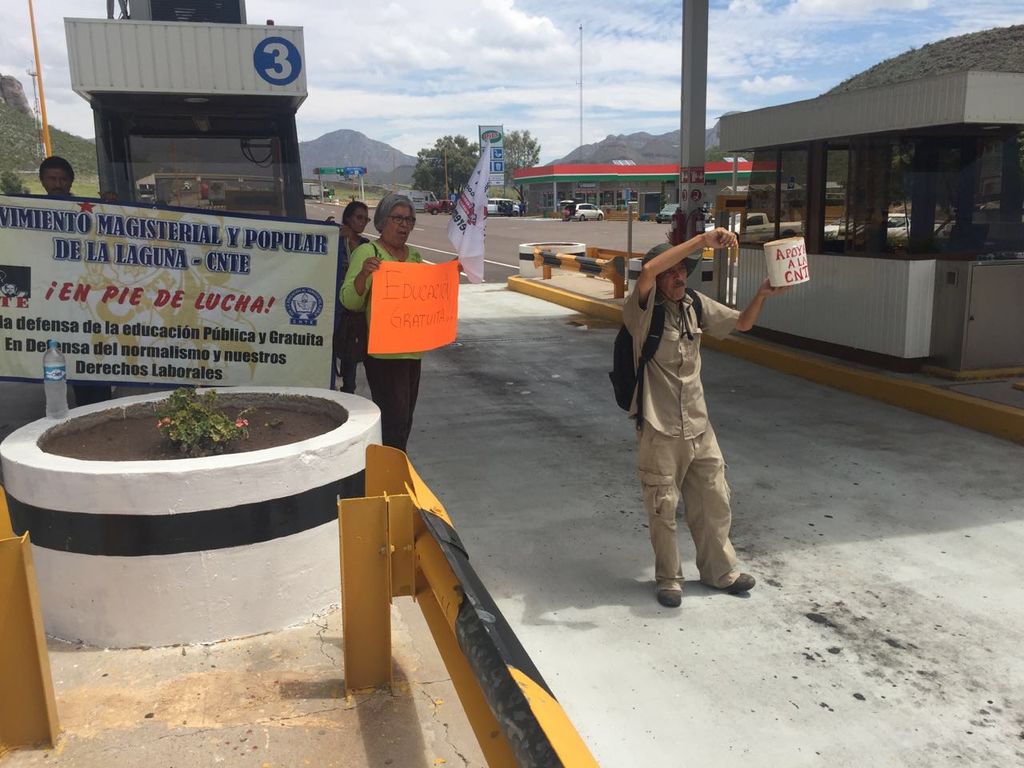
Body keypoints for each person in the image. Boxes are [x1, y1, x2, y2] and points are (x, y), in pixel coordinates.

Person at [623, 229, 788, 608]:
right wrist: (699, 242)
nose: (680, 277)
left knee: (714, 500)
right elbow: (647, 272)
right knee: (663, 506)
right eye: (673, 272)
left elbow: (742, 324)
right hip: (660, 428)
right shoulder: (641, 310)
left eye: (684, 271)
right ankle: (669, 578)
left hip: (699, 425)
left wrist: (761, 295)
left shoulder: (694, 305)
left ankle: (720, 572)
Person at [38, 156, 114, 408]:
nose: (57, 184)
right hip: (52, 298)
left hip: (87, 296)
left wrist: (113, 208)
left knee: (93, 353)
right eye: (52, 178)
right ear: (42, 181)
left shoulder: (88, 210)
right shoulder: (30, 209)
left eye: (62, 179)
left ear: (71, 181)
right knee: (61, 358)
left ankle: (99, 406)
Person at [333, 201, 370, 393]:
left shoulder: (366, 246)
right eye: (359, 217)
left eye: (366, 219)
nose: (363, 222)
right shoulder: (334, 239)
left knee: (350, 361)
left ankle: (349, 394)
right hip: (332, 309)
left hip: (353, 312)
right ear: (347, 218)